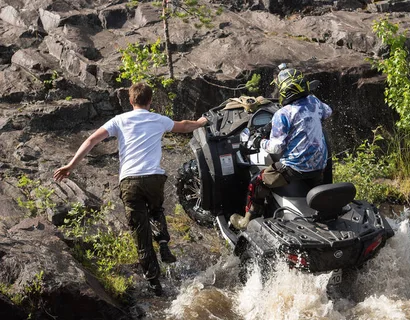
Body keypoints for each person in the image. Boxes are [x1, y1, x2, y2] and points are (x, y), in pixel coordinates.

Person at [54, 82, 209, 296]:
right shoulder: (158, 119)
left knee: (140, 234)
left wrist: (71, 165)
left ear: (130, 100)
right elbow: (184, 125)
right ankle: (163, 241)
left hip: (130, 180)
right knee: (156, 210)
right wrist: (201, 122)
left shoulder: (119, 120)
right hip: (154, 177)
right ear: (150, 100)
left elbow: (91, 140)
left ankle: (155, 284)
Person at [230, 66, 332, 230]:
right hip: (319, 167)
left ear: (284, 90)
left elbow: (276, 148)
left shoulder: (283, 114)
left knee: (256, 183)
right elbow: (328, 112)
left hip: (295, 169)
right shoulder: (314, 102)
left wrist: (259, 142)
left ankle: (246, 222)